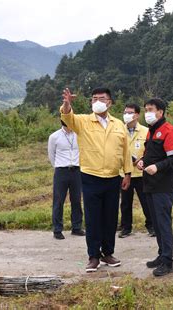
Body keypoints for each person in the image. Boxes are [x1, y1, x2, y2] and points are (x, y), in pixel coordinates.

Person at [60, 87, 133, 272]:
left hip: (112, 177)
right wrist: (67, 105)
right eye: (94, 98)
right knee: (93, 218)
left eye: (101, 98)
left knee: (110, 217)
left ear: (110, 102)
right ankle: (93, 256)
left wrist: (127, 173)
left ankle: (108, 253)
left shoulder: (118, 125)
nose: (97, 101)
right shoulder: (84, 121)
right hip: (90, 176)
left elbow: (125, 151)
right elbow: (68, 118)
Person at [136, 98, 173, 277]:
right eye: (145, 109)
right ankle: (161, 255)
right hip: (149, 184)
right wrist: (142, 161)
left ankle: (168, 262)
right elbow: (151, 154)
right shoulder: (151, 132)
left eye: (150, 109)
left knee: (163, 223)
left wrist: (157, 167)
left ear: (160, 112)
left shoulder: (169, 130)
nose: (147, 112)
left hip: (164, 185)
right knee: (155, 223)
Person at [118, 103, 155, 238]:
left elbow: (151, 150)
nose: (127, 115)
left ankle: (151, 226)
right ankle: (126, 228)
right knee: (126, 203)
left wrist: (142, 159)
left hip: (141, 172)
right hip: (124, 172)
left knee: (146, 201)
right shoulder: (118, 130)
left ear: (137, 115)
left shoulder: (146, 131)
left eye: (130, 112)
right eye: (125, 112)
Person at [47, 120, 84, 240]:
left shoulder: (79, 134)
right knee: (58, 200)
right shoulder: (54, 136)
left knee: (77, 200)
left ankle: (76, 227)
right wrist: (59, 166)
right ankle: (57, 229)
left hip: (77, 170)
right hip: (61, 171)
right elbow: (51, 155)